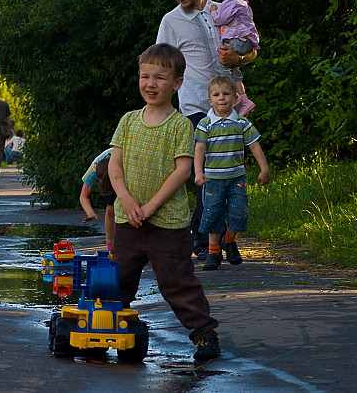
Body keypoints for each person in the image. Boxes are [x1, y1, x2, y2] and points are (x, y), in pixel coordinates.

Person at [108, 43, 221, 362]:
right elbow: (114, 167)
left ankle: (204, 335)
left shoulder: (180, 125)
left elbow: (183, 170)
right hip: (127, 220)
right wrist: (127, 201)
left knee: (178, 282)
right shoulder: (129, 121)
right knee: (118, 281)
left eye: (160, 77)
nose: (151, 83)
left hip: (167, 225)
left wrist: (151, 206)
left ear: (178, 83)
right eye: (145, 76)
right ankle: (114, 327)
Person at [157, 0, 258, 256]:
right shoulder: (171, 21)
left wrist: (239, 60)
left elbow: (252, 46)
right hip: (196, 107)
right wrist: (162, 109)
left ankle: (208, 237)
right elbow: (162, 66)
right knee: (208, 173)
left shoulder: (228, 7)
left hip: (230, 105)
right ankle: (205, 242)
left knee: (226, 172)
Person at [194, 76, 271, 270]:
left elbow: (254, 145)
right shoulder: (205, 124)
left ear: (235, 99)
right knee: (213, 214)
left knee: (239, 214)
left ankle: (228, 240)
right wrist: (198, 173)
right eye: (216, 95)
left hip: (237, 178)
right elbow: (199, 150)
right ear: (210, 101)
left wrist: (264, 168)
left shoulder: (242, 123)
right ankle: (213, 252)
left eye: (226, 94)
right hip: (213, 179)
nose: (222, 98)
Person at [210, 0, 260, 116]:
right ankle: (244, 100)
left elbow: (219, 18)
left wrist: (213, 10)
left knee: (221, 68)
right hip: (246, 42)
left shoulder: (231, 2)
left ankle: (232, 98)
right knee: (234, 71)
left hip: (237, 41)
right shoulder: (243, 3)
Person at [78, 148, 115, 252]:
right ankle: (109, 247)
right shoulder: (94, 168)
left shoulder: (125, 160)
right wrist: (90, 213)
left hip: (123, 169)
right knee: (110, 209)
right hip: (109, 166)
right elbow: (83, 196)